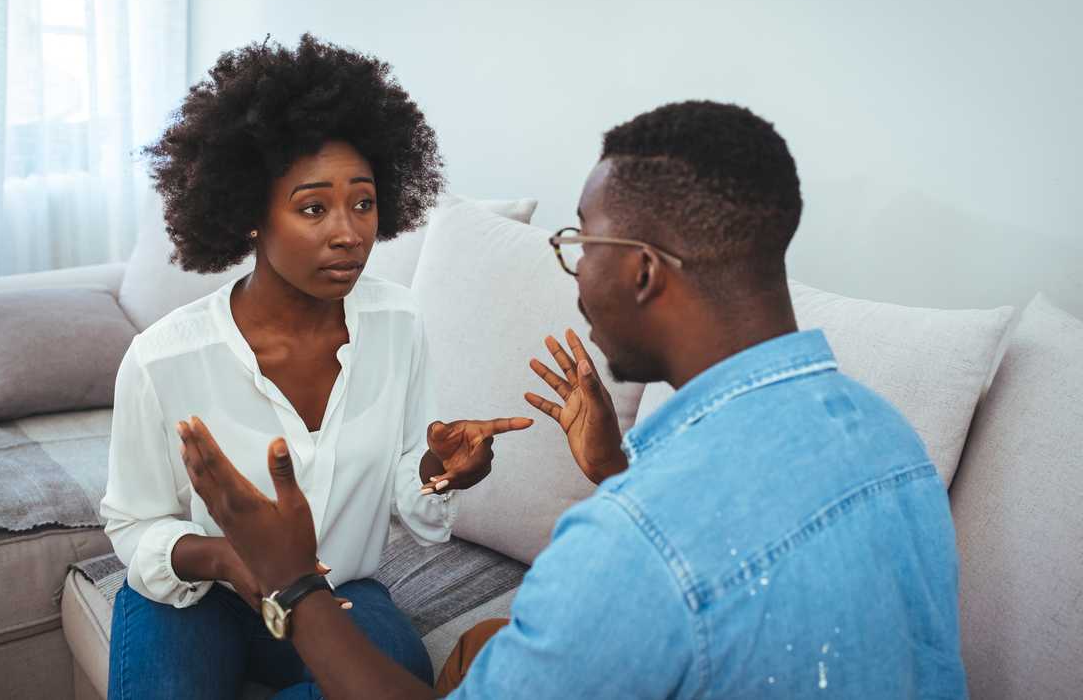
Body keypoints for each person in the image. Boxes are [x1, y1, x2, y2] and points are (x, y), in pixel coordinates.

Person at [177, 100, 968, 698]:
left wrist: (295, 581)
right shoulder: (890, 441)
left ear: (644, 271)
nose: (575, 269)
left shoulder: (628, 544)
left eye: (582, 241)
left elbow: (670, 563)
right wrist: (618, 469)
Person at [100, 34, 531, 700]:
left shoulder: (398, 323)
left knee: (399, 676)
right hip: (200, 596)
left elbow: (408, 489)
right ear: (249, 214)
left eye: (362, 202)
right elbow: (134, 522)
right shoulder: (163, 358)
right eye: (312, 207)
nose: (349, 231)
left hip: (337, 592)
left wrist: (438, 472)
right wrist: (225, 556)